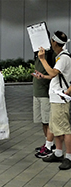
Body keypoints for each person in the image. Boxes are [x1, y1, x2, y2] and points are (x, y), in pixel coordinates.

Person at [34, 30, 71, 170]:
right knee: (56, 127)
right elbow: (55, 75)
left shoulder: (64, 58)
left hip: (61, 98)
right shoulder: (61, 56)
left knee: (65, 129)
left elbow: (54, 72)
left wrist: (42, 59)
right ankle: (59, 152)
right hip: (57, 97)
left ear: (54, 42)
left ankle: (68, 157)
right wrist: (43, 77)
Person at [31, 35, 57, 158]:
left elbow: (53, 73)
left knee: (48, 121)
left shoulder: (50, 54)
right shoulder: (37, 53)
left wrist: (43, 59)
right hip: (37, 92)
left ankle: (50, 146)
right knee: (43, 121)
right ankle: (47, 144)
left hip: (45, 92)